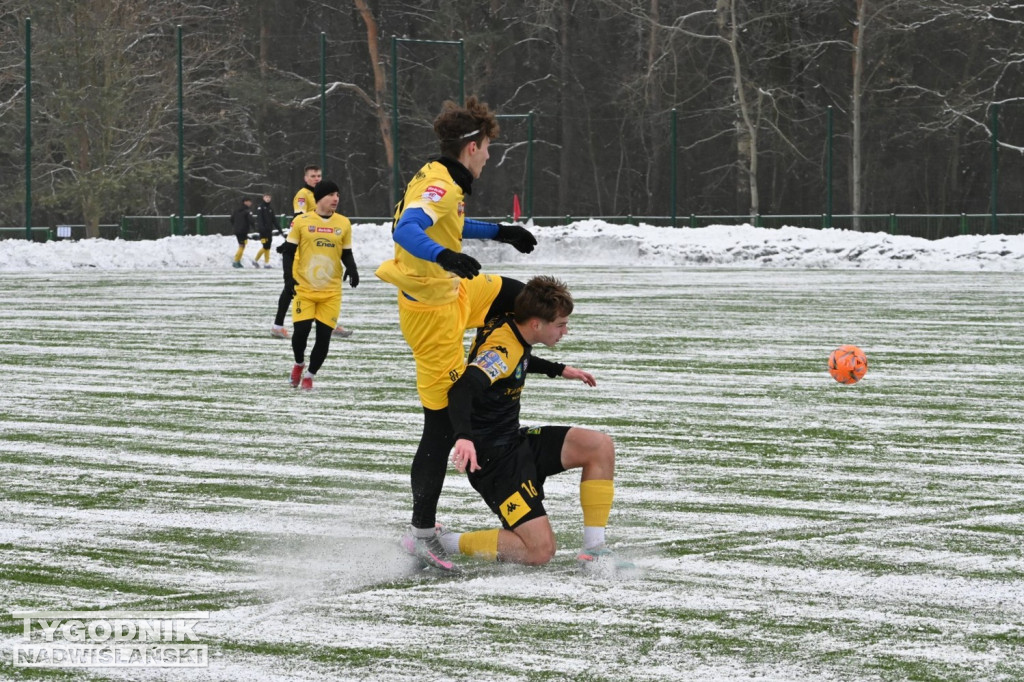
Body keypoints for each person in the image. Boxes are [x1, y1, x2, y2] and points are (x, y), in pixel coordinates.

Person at [374, 96, 538, 571]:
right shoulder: (442, 185)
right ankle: (421, 535)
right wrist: (445, 257)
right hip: (432, 316)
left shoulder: (440, 175)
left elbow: (451, 223)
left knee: (518, 295)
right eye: (487, 147)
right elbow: (406, 230)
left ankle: (496, 377)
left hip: (454, 292)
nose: (488, 155)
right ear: (471, 147)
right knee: (441, 427)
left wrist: (501, 232)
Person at [442, 276, 630, 572]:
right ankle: (443, 541)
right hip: (494, 462)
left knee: (598, 446)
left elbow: (522, 358)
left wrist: (559, 369)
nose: (565, 331)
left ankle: (594, 551)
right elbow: (463, 389)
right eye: (561, 324)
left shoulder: (514, 327)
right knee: (539, 552)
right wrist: (463, 437)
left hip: (515, 441)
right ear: (536, 324)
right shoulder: (501, 352)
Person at [279, 180, 359, 391]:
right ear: (319, 198)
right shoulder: (302, 221)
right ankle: (299, 363)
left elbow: (346, 252)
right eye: (331, 194)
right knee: (300, 334)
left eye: (337, 195)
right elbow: (288, 252)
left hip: (331, 292)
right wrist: (288, 278)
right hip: (305, 289)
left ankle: (310, 375)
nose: (336, 199)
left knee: (324, 338)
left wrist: (352, 268)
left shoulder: (343, 223)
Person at [271, 166, 353, 339]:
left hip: (318, 248)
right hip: (304, 248)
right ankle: (278, 326)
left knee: (324, 285)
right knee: (293, 287)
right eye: (313, 176)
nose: (316, 178)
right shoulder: (303, 194)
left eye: (319, 175)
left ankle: (329, 323)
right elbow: (298, 219)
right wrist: (290, 243)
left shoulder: (325, 195)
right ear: (305, 178)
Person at [230, 197, 255, 269]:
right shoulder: (247, 211)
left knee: (241, 245)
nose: (250, 203)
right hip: (243, 230)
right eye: (249, 201)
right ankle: (236, 261)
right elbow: (251, 220)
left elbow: (231, 219)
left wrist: (235, 226)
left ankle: (238, 261)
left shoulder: (236, 210)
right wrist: (254, 228)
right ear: (245, 202)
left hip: (237, 230)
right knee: (242, 246)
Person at [253, 194, 276, 268]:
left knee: (268, 247)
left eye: (269, 197)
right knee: (265, 246)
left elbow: (274, 220)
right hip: (263, 232)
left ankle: (266, 263)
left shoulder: (270, 208)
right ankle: (255, 260)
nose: (268, 198)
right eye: (266, 197)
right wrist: (262, 229)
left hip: (269, 231)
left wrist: (280, 229)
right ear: (263, 198)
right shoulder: (260, 208)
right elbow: (259, 220)